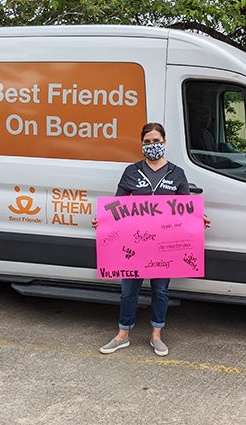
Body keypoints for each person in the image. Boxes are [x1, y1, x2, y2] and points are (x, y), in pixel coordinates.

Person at [94, 122, 210, 357]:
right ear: (142, 145)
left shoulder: (176, 173)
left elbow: (184, 207)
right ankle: (122, 335)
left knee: (160, 291)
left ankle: (156, 336)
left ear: (164, 143)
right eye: (147, 142)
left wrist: (199, 219)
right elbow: (117, 204)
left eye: (156, 141)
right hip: (133, 244)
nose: (152, 146)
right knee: (128, 291)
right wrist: (103, 220)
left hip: (163, 246)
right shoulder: (131, 171)